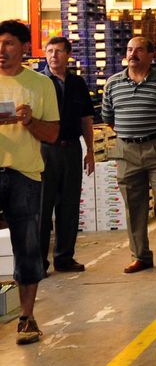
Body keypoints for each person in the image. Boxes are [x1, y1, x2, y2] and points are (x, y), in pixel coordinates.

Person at [102, 37, 156, 274]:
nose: (133, 54)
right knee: (133, 204)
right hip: (126, 150)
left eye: (139, 50)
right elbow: (108, 118)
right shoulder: (113, 84)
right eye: (130, 49)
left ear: (151, 55)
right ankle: (140, 255)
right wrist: (130, 135)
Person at [0, 20, 60, 345]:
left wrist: (29, 120)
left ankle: (27, 317)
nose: (1, 50)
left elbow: (52, 134)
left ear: (24, 47)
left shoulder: (40, 85)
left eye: (9, 43)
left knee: (27, 247)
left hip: (24, 175)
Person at [38, 36, 95, 272]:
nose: (53, 55)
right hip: (44, 151)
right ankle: (38, 262)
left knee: (69, 205)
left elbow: (86, 119)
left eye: (59, 51)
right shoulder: (38, 82)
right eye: (49, 51)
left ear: (68, 54)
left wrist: (90, 150)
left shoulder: (78, 83)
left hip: (71, 148)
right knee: (42, 207)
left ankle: (64, 258)